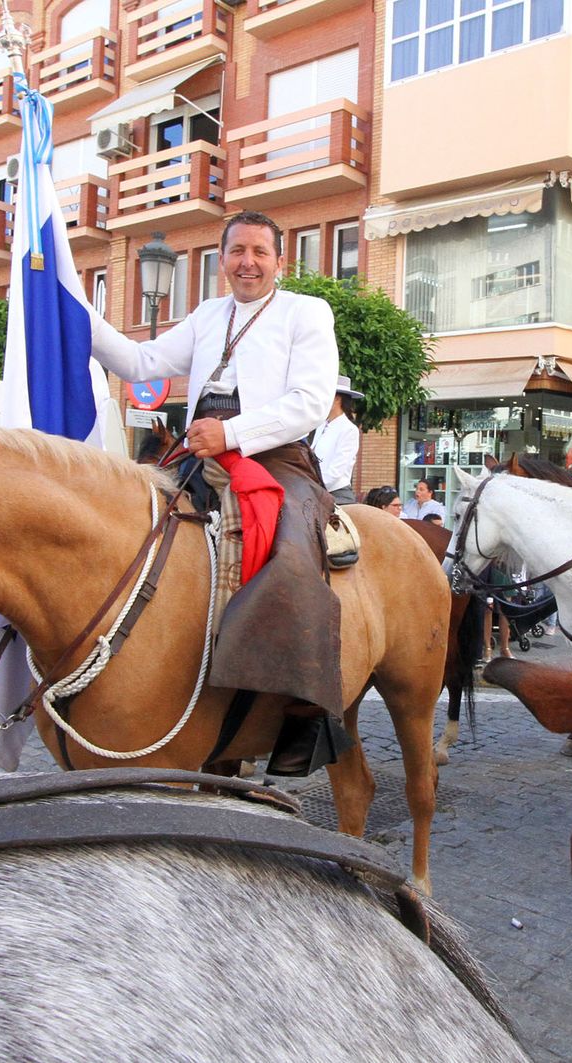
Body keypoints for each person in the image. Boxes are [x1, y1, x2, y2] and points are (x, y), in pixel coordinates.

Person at [87, 209, 345, 777]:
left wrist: (231, 434)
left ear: (280, 261)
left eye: (260, 252)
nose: (248, 262)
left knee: (293, 554)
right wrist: (78, 314)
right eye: (237, 251)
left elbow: (308, 401)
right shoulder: (208, 315)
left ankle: (304, 710)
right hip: (197, 455)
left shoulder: (306, 312)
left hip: (274, 456)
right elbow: (141, 362)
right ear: (222, 259)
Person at [312, 375, 363, 505]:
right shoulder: (321, 426)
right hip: (315, 488)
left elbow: (337, 470)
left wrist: (315, 486)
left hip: (337, 494)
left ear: (337, 399)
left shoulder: (349, 429)